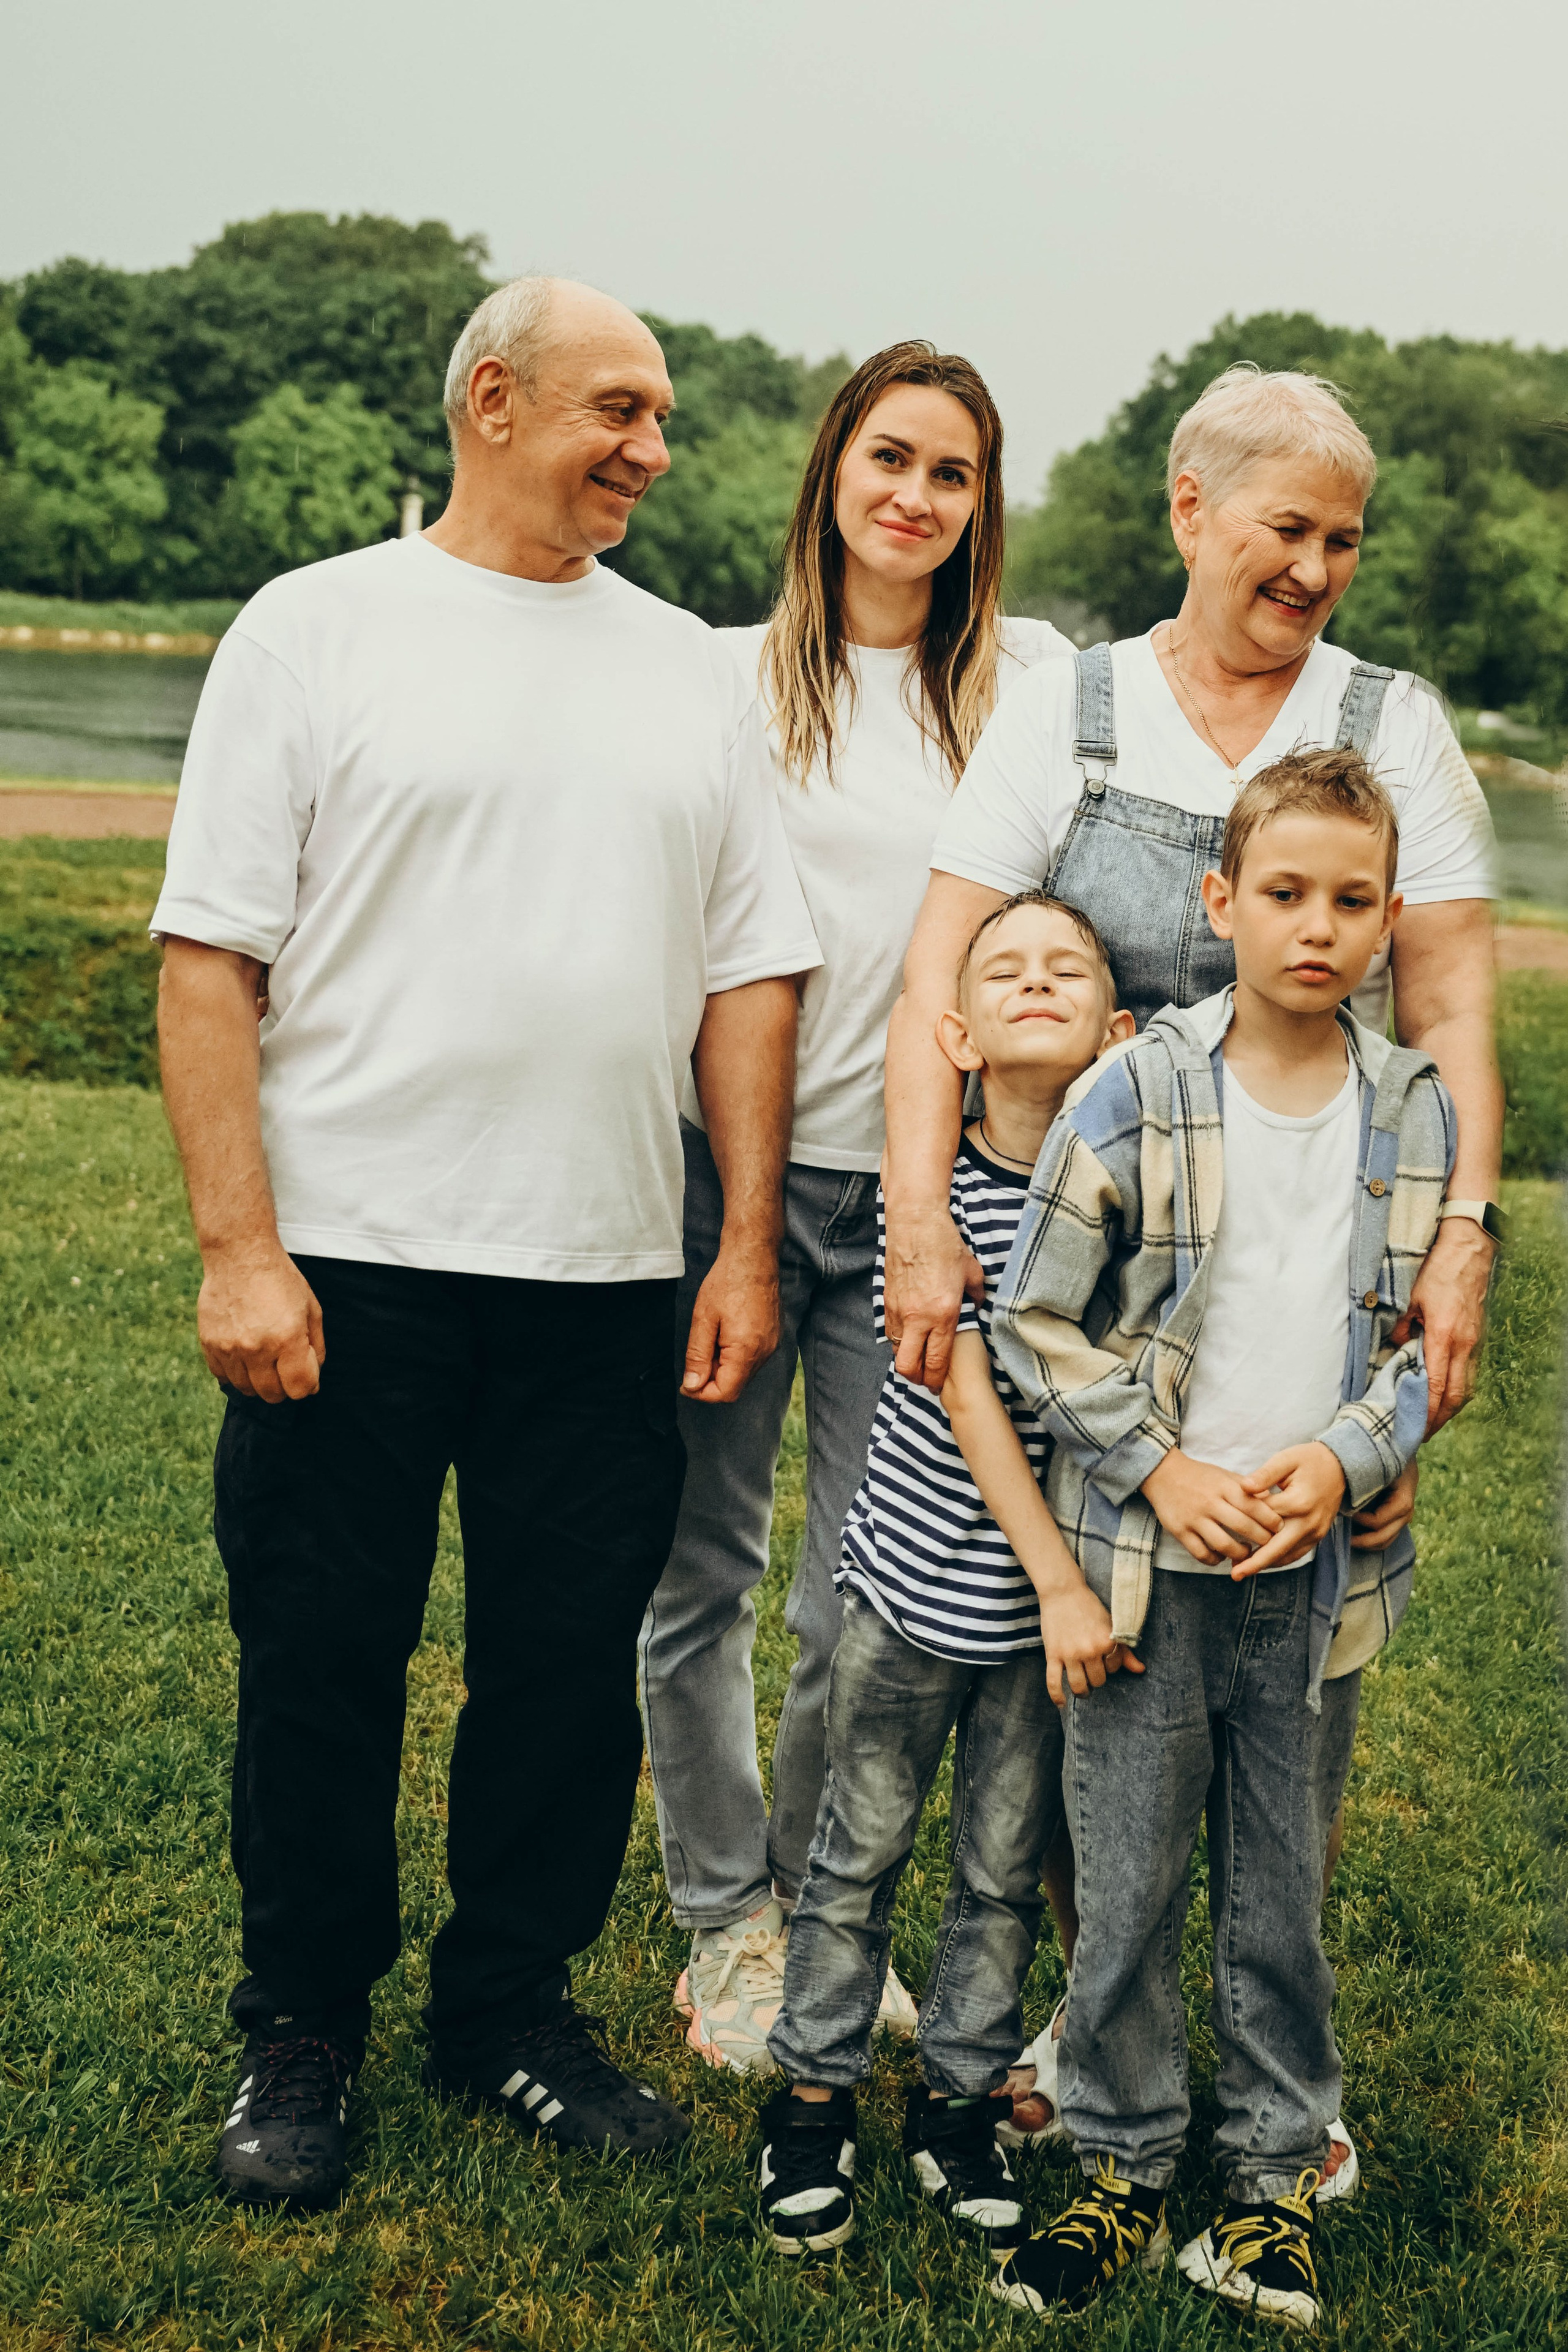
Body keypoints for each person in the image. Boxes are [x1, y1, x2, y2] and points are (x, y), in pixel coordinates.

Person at [153, 276, 821, 2209]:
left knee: (559, 1666)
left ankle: (508, 2009)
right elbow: (212, 960)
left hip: (606, 1267)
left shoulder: (689, 667)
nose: (656, 448)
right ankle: (303, 2028)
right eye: (623, 408)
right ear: (496, 400)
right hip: (347, 1262)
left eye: (667, 415)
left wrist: (743, 1241)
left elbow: (750, 978)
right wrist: (237, 1249)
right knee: (323, 1658)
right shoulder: (317, 629)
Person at [883, 363, 1501, 2161]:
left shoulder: (1396, 723)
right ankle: (1105, 2043)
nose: (1315, 567)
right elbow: (941, 978)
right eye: (1284, 527)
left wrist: (1460, 1239)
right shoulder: (1065, 711)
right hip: (1091, 1280)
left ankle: (1270, 2086)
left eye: (1343, 541)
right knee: (1082, 1665)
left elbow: (1452, 1002)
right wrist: (926, 1221)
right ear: (1187, 507)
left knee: (1297, 1670)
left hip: (1313, 1266)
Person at [637, 344, 1071, 2073]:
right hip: (721, 1186)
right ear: (832, 472)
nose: (914, 496)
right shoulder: (719, 681)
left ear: (980, 509)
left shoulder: (1023, 689)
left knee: (852, 1598)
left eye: (951, 473)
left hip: (915, 1202)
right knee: (697, 1574)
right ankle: (723, 1925)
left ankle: (817, 1908)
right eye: (888, 458)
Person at [984, 752, 1455, 2327]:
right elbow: (1035, 1316)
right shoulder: (1136, 1087)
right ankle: (1122, 2155)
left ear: (1386, 920)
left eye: (1348, 901)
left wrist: (1346, 1458)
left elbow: (1413, 1350)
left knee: (1275, 1893)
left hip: (1310, 1574)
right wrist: (1157, 1470)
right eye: (1281, 894)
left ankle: (1264, 2185)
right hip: (1144, 1567)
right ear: (1218, 904)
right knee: (1120, 1883)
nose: (1314, 928)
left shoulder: (1411, 1107)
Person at [756, 892, 1137, 2262]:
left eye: (1069, 970)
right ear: (956, 1035)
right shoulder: (921, 1209)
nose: (1038, 984)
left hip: (1049, 1633)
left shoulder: (1125, 1209)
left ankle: (957, 2105)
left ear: (1119, 1029)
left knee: (993, 1874)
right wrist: (1056, 1587)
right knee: (854, 1860)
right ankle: (809, 2103)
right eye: (1006, 973)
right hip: (914, 1601)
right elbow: (969, 1403)